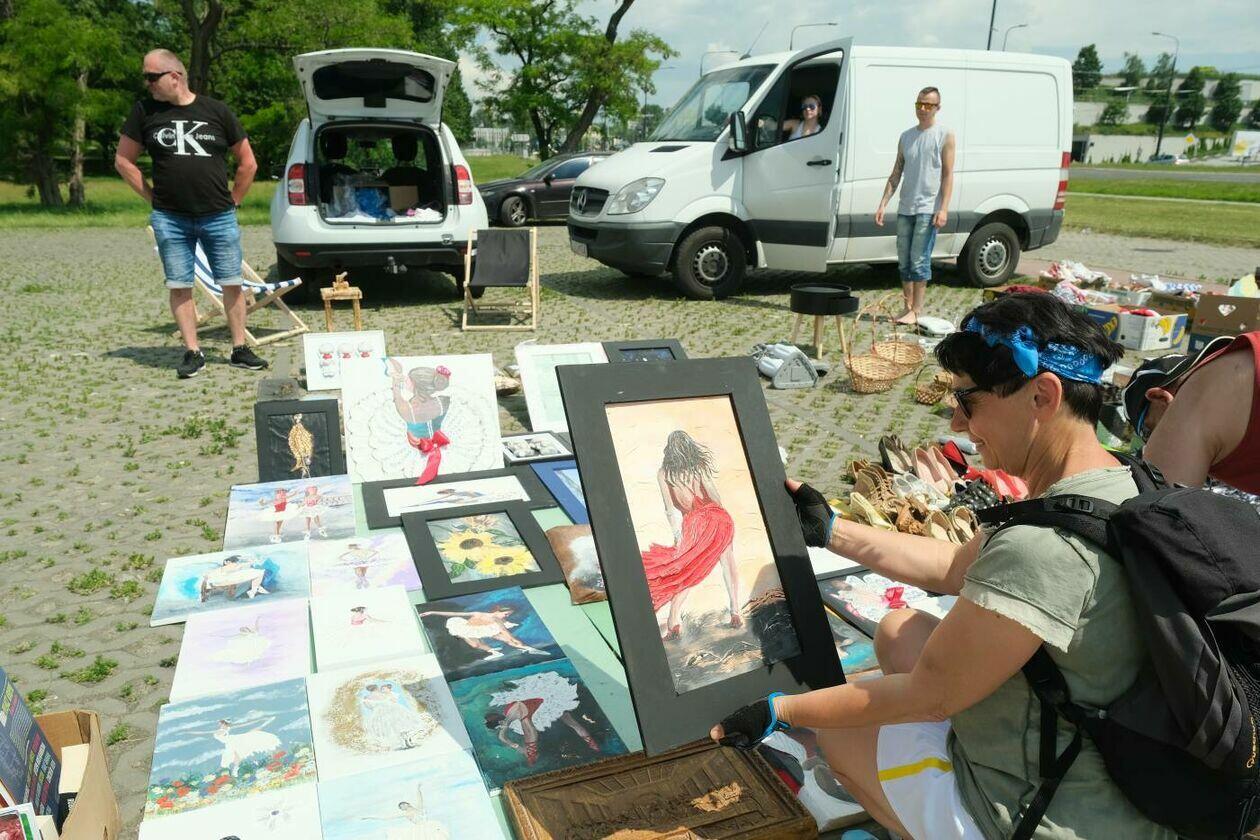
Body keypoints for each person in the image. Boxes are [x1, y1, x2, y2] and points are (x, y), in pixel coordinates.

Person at [711, 293, 1174, 839]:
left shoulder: (1044, 547)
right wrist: (832, 531)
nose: (956, 423)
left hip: (1053, 816)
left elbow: (929, 697)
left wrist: (784, 710)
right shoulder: (1122, 481)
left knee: (839, 735)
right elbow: (955, 567)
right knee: (900, 630)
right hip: (1110, 752)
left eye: (968, 401)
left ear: (1042, 396)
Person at [115, 48, 266, 379]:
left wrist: (235, 201)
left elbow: (248, 162)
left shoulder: (216, 111)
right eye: (145, 78)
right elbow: (123, 161)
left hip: (218, 215)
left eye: (151, 77)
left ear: (174, 76)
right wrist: (152, 197)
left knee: (231, 282)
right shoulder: (144, 111)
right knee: (179, 284)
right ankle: (192, 352)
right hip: (171, 218)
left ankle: (240, 348)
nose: (147, 84)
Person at [1123, 330, 1259, 494]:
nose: (1152, 443)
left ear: (1161, 398)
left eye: (1148, 433)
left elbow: (1163, 503)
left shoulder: (1193, 402)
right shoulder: (1242, 358)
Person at [640, 430, 739, 640]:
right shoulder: (698, 466)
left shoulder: (664, 474)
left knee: (687, 571)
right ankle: (735, 611)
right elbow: (713, 495)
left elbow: (669, 509)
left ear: (669, 449)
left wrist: (678, 536)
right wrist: (721, 515)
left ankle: (673, 621)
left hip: (693, 523)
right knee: (728, 562)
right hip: (717, 517)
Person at [874, 86, 956, 326]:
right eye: (919, 104)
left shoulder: (944, 135)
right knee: (904, 260)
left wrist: (943, 208)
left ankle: (917, 310)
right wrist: (883, 203)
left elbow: (948, 174)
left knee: (919, 260)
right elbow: (896, 171)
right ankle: (907, 306)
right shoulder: (906, 136)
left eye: (928, 105)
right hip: (906, 206)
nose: (922, 109)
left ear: (937, 108)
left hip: (928, 207)